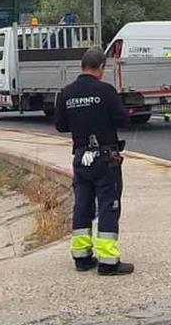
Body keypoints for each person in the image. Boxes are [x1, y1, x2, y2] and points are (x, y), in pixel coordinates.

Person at [55, 47, 134, 276]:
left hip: (81, 157)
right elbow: (123, 120)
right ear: (101, 67)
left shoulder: (66, 93)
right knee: (108, 205)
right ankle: (108, 262)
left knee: (82, 205)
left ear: (82, 66)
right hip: (105, 157)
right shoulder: (106, 91)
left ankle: (82, 258)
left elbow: (61, 125)